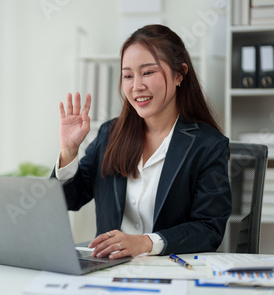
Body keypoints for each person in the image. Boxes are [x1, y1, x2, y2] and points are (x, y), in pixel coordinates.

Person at [52, 24, 231, 259]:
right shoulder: (110, 135)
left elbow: (209, 230)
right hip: (109, 272)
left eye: (147, 72)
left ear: (179, 74)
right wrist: (69, 151)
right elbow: (67, 200)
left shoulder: (207, 145)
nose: (136, 86)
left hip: (172, 273)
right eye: (128, 75)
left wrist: (146, 243)